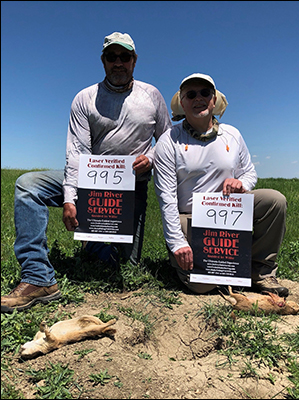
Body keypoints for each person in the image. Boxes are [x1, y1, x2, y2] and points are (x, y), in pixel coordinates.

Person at [1, 32, 172, 313]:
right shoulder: (85, 98)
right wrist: (70, 197)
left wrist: (151, 158)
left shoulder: (151, 95)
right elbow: (77, 152)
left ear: (135, 61)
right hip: (89, 181)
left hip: (131, 188)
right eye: (111, 57)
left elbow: (166, 139)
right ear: (103, 61)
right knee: (28, 184)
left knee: (124, 267)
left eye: (124, 57)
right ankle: (38, 276)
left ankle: (95, 249)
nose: (118, 63)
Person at [153, 73, 289, 297]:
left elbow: (249, 172)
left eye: (205, 93)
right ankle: (216, 263)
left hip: (231, 211)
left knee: (275, 201)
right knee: (202, 286)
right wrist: (177, 243)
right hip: (190, 218)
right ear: (183, 102)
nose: (199, 98)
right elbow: (166, 197)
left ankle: (261, 272)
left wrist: (241, 183)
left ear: (214, 100)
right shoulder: (169, 140)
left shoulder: (232, 135)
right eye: (191, 94)